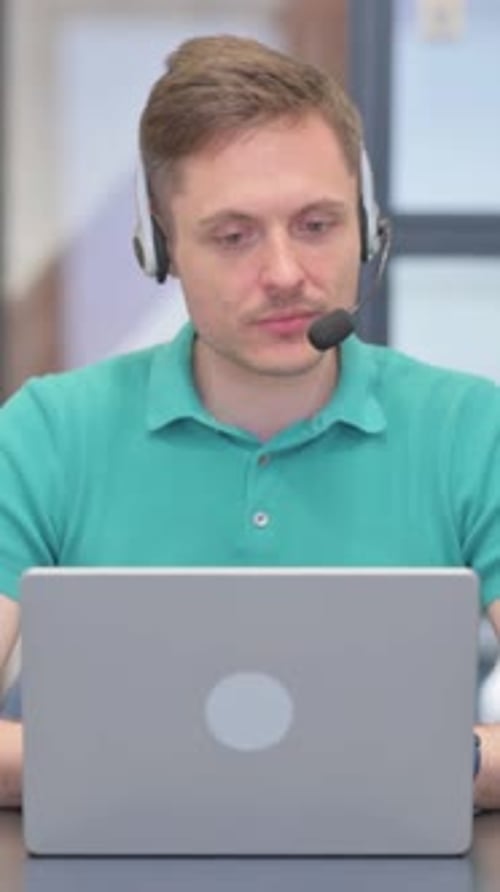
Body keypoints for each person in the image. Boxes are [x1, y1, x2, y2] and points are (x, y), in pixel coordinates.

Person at [1, 34, 500, 810]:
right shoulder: (46, 432)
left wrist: (133, 766)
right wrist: (323, 767)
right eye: (233, 236)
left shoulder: (473, 430)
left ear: (368, 227)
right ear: (159, 247)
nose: (285, 275)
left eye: (317, 224)